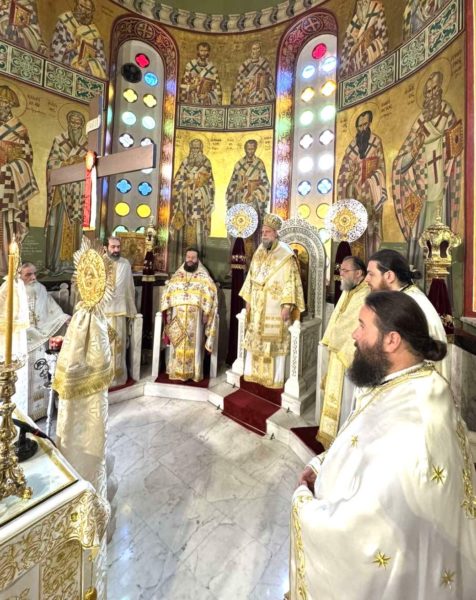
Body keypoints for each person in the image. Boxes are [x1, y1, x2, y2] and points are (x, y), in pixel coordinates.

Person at [290, 291, 476, 600]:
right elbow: (361, 439)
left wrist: (303, 503)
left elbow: (361, 528)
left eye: (362, 326)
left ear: (391, 340)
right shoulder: (417, 381)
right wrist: (321, 465)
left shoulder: (413, 425)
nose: (354, 334)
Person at [392, 71, 462, 271]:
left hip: (441, 182)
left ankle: (439, 275)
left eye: (434, 90)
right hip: (421, 186)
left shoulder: (447, 113)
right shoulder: (421, 120)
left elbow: (455, 146)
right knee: (420, 230)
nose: (431, 95)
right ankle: (419, 274)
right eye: (428, 91)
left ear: (440, 90)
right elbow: (402, 160)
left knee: (439, 228)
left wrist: (442, 146)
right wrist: (413, 153)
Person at [239, 214, 305, 389]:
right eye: (262, 232)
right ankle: (254, 375)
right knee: (256, 339)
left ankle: (274, 379)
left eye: (267, 232)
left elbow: (291, 282)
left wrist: (287, 306)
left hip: (275, 308)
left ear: (276, 233)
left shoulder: (286, 255)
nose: (264, 235)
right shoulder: (259, 252)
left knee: (272, 342)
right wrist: (248, 300)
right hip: (257, 306)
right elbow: (251, 277)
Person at [365, 248, 448, 378]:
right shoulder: (401, 297)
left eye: (371, 274)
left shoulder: (411, 304)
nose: (366, 279)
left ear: (389, 276)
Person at [317, 256, 369, 448]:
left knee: (346, 398)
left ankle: (343, 440)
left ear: (359, 273)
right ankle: (331, 434)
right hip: (337, 352)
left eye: (345, 271)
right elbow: (336, 319)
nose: (341, 274)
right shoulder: (349, 290)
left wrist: (334, 341)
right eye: (341, 270)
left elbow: (349, 326)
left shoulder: (366, 294)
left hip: (349, 355)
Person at [20, 262, 70, 418]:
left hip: (41, 339)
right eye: (28, 274)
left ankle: (42, 411)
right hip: (21, 342)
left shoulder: (40, 289)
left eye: (35, 273)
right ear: (19, 276)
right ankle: (23, 412)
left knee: (43, 371)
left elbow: (53, 309)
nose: (33, 277)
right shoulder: (12, 292)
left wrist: (64, 318)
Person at [160, 247, 218, 382]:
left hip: (195, 318)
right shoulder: (177, 275)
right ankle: (175, 370)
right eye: (188, 257)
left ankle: (194, 373)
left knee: (194, 344)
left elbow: (211, 294)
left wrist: (206, 312)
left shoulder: (203, 276)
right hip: (177, 316)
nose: (190, 260)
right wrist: (168, 312)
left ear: (198, 259)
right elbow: (167, 294)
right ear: (185, 258)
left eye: (193, 257)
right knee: (177, 342)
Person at [337, 110, 387, 259]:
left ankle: (371, 262)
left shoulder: (376, 142)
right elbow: (342, 175)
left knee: (371, 232)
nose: (362, 128)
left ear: (370, 123)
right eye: (360, 126)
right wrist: (350, 181)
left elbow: (381, 169)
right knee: (355, 234)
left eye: (365, 124)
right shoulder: (351, 147)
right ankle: (355, 263)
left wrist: (370, 182)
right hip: (354, 198)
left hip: (371, 197)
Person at [0, 84, 39, 275]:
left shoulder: (19, 130)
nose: (1, 106)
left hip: (9, 184)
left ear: (10, 105)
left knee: (8, 223)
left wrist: (9, 166)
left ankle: (6, 267)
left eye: (4, 102)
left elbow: (27, 159)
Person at [45, 110, 88, 274]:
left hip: (79, 192)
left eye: (78, 123)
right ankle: (58, 264)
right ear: (68, 123)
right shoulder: (60, 140)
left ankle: (74, 264)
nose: (75, 125)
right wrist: (65, 163)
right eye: (73, 122)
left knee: (77, 226)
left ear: (82, 125)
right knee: (61, 225)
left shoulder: (87, 143)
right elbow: (51, 163)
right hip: (62, 192)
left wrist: (81, 162)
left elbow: (91, 165)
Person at [170, 139, 215, 267]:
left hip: (199, 205)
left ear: (201, 149)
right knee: (183, 233)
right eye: (193, 148)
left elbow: (210, 184)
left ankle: (200, 266)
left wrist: (199, 185)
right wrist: (187, 183)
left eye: (197, 148)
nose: (195, 151)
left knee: (199, 232)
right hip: (184, 204)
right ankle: (181, 266)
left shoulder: (206, 162)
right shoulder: (185, 162)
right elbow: (177, 182)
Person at [226, 139, 270, 258]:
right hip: (239, 204)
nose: (250, 151)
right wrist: (238, 188)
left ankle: (252, 260)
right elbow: (231, 186)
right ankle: (237, 261)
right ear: (245, 149)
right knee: (238, 232)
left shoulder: (259, 164)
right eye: (248, 149)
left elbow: (265, 185)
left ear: (255, 149)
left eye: (252, 149)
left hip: (253, 204)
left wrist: (255, 193)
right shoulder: (239, 164)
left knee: (252, 234)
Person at [102, 237, 137, 387]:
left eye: (118, 247)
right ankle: (103, 379)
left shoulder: (125, 263)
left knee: (119, 344)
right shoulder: (99, 262)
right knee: (103, 345)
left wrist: (131, 310)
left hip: (120, 312)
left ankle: (118, 378)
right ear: (106, 247)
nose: (116, 250)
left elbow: (130, 288)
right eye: (113, 247)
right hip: (102, 313)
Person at [50, 0, 108, 79]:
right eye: (81, 6)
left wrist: (89, 63)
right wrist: (71, 46)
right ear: (76, 4)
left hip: (84, 77)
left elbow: (102, 62)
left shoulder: (95, 34)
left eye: (87, 9)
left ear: (92, 12)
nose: (83, 11)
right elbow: (54, 48)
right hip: (64, 72)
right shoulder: (65, 21)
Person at [339, 0, 389, 78]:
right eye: (359, 3)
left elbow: (382, 39)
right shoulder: (355, 21)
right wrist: (357, 45)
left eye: (364, 2)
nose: (362, 3)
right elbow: (347, 49)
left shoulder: (376, 8)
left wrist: (367, 42)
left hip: (373, 58)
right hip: (357, 66)